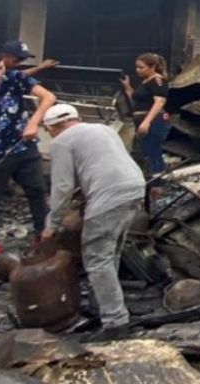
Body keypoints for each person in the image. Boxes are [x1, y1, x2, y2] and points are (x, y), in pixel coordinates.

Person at [40, 103, 144, 331]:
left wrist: (52, 224)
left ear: (54, 127)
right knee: (110, 254)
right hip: (135, 188)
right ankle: (102, 306)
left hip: (109, 196)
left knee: (97, 259)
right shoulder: (104, 129)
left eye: (49, 132)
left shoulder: (62, 141)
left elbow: (62, 187)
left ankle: (115, 322)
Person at [0, 49, 54, 255]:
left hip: (23, 147)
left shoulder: (15, 79)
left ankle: (41, 235)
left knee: (37, 190)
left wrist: (34, 122)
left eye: (0, 68)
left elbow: (48, 97)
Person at [122, 53, 171, 176]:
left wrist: (147, 121)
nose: (138, 70)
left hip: (154, 120)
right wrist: (127, 87)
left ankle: (157, 183)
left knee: (153, 151)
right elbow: (136, 99)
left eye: (141, 67)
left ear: (152, 67)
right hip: (141, 119)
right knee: (142, 151)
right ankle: (147, 178)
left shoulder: (157, 80)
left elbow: (159, 101)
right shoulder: (145, 82)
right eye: (137, 67)